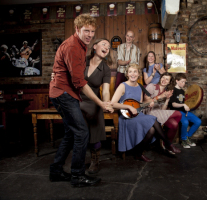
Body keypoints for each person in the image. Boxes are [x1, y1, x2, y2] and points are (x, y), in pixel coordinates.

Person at [49, 14, 113, 187]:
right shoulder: (73, 47)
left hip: (67, 94)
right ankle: (77, 176)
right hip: (64, 94)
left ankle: (55, 171)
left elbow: (64, 69)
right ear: (77, 29)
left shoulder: (81, 46)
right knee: (82, 132)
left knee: (72, 133)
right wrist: (101, 103)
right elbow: (79, 82)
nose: (89, 34)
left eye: (92, 31)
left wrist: (105, 103)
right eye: (86, 31)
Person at [111, 63, 180, 162]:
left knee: (152, 130)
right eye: (130, 71)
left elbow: (139, 104)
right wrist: (128, 107)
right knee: (153, 119)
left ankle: (139, 153)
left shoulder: (139, 87)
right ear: (127, 74)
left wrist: (147, 104)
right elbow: (113, 104)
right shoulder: (123, 86)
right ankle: (168, 144)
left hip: (137, 115)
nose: (133, 74)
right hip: (126, 118)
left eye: (135, 71)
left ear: (138, 74)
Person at [80, 38, 112, 174]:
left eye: (109, 47)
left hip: (94, 103)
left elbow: (105, 90)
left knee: (95, 134)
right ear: (94, 47)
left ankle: (95, 161)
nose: (107, 47)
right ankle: (78, 160)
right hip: (77, 101)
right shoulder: (82, 61)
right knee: (79, 134)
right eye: (104, 44)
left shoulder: (106, 69)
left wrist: (105, 103)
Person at [143, 72, 181, 153]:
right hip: (149, 112)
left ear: (169, 82)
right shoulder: (151, 86)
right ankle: (168, 144)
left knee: (174, 124)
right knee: (178, 113)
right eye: (163, 77)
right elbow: (146, 101)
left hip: (159, 114)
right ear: (160, 78)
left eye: (167, 79)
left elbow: (162, 110)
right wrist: (160, 96)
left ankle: (165, 145)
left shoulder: (167, 92)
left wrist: (167, 99)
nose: (164, 80)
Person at [169, 73, 202, 149]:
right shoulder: (172, 90)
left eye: (185, 82)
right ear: (177, 81)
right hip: (176, 112)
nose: (184, 83)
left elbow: (186, 103)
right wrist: (183, 105)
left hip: (184, 112)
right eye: (182, 81)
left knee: (198, 121)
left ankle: (187, 137)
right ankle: (183, 140)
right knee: (185, 122)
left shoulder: (183, 92)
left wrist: (188, 106)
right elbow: (173, 104)